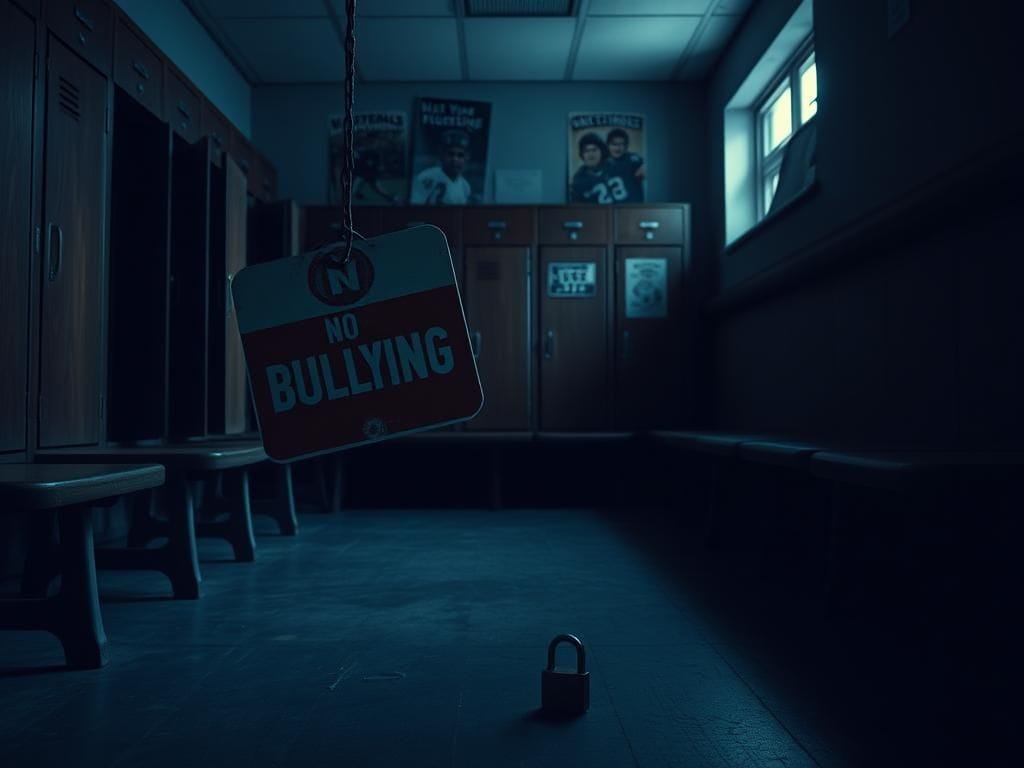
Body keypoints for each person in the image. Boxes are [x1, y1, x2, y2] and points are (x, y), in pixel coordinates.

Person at [410, 129, 473, 205]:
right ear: (441, 155)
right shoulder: (427, 178)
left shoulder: (465, 186)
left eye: (460, 155)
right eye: (450, 154)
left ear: (467, 158)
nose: (455, 159)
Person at [569, 132, 612, 204]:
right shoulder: (578, 179)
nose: (591, 155)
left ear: (602, 152)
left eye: (594, 150)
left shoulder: (614, 167)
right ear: (582, 155)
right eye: (586, 151)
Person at [605, 128, 645, 202]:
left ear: (626, 146)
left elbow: (644, 169)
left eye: (622, 144)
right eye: (614, 144)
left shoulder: (632, 158)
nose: (618, 148)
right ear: (607, 145)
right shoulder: (602, 163)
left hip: (634, 207)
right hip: (612, 208)